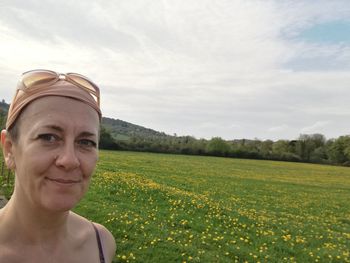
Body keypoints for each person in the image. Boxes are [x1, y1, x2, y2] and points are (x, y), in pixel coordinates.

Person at [0, 69, 116, 262]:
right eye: (49, 137)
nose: (69, 160)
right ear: (9, 149)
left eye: (85, 142)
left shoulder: (101, 243)